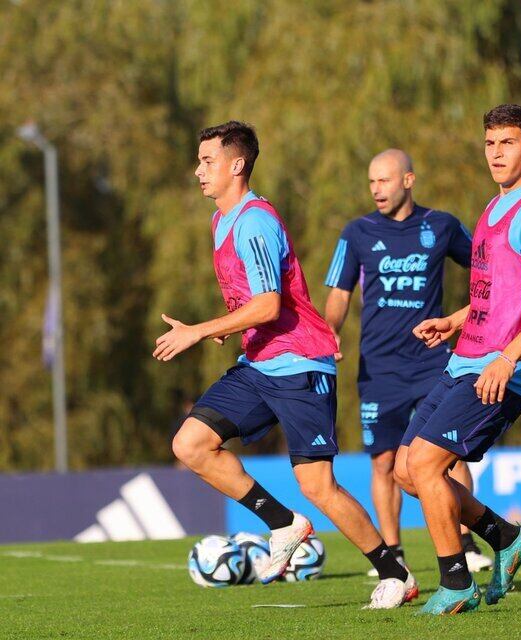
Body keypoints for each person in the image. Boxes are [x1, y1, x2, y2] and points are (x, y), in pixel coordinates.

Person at [156, 121, 415, 609]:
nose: (198, 171)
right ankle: (282, 523)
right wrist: (235, 325)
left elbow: (270, 304)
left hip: (300, 364)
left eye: (207, 161)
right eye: (198, 161)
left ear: (237, 165)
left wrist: (200, 329)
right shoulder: (222, 220)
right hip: (260, 363)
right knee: (190, 443)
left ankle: (394, 571)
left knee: (317, 484)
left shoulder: (255, 220)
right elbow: (255, 303)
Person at [393, 104, 521, 615]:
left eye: (508, 143)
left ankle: (455, 583)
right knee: (408, 471)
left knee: (426, 464)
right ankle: (507, 537)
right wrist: (454, 321)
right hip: (465, 359)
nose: (496, 154)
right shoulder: (493, 209)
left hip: (501, 370)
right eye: (490, 143)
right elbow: (500, 293)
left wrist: (509, 358)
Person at [323, 148, 492, 574]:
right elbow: (340, 293)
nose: (376, 189)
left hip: (434, 362)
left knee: (447, 455)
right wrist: (329, 333)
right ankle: (393, 552)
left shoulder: (443, 225)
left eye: (384, 180)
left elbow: (488, 269)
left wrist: (473, 316)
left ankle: (467, 543)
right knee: (382, 461)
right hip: (379, 367)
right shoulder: (356, 232)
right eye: (371, 182)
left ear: (408, 181)